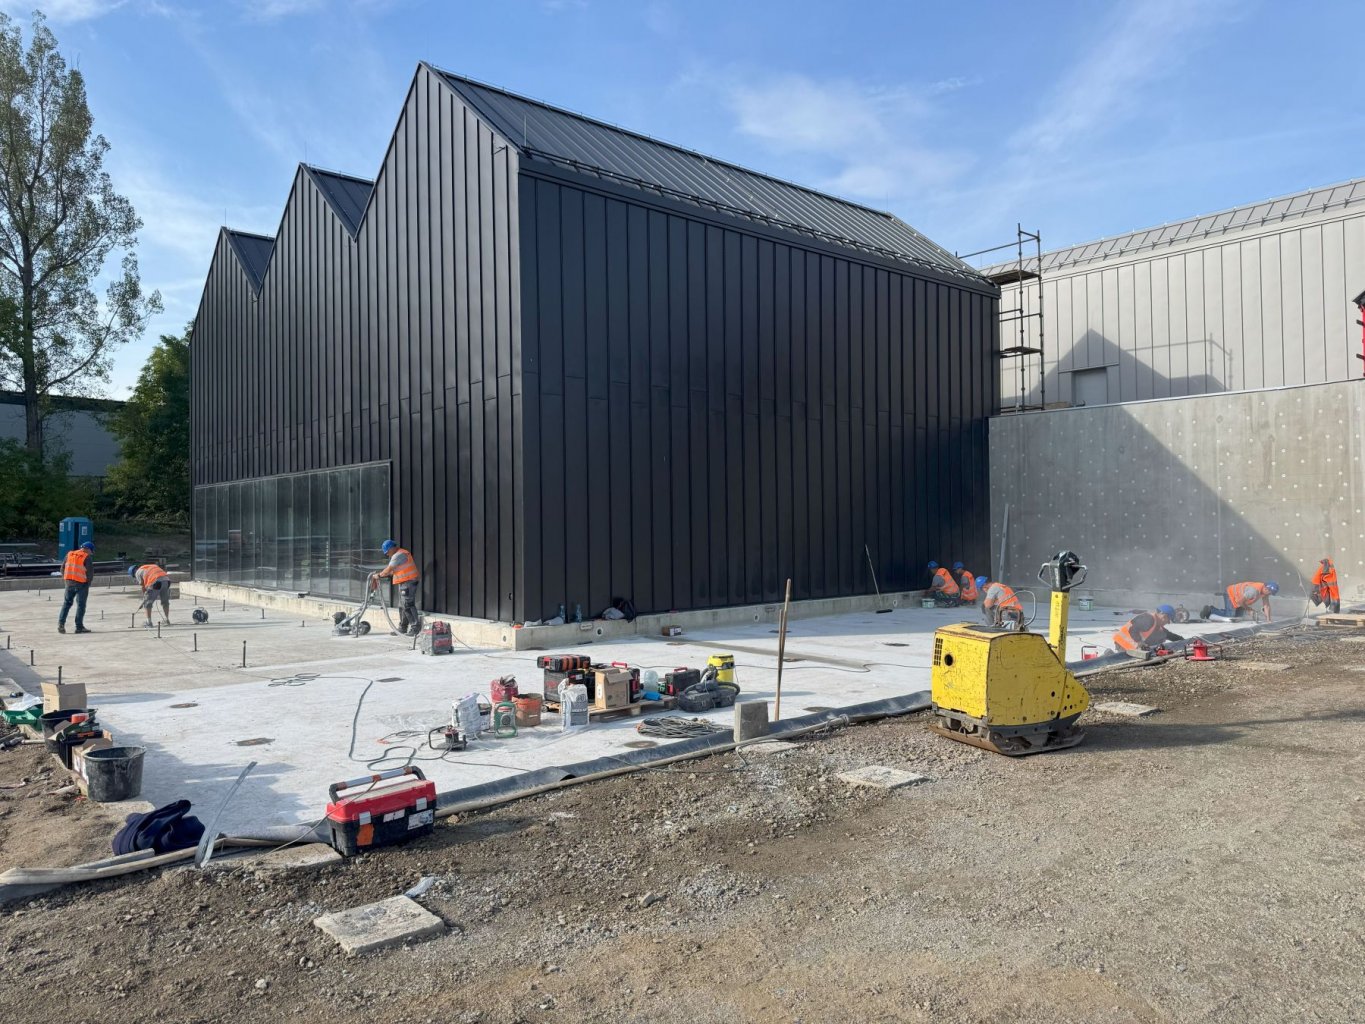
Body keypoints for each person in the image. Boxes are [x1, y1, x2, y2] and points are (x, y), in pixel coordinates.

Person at [374, 539, 421, 635]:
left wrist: (379, 575)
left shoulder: (398, 555)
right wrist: (384, 574)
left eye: (387, 552)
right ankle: (402, 628)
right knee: (402, 606)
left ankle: (415, 628)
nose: (387, 554)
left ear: (392, 548)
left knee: (407, 604)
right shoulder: (398, 554)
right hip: (405, 582)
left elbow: (389, 569)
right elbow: (393, 571)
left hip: (408, 582)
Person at [1113, 605, 1184, 656]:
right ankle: (1109, 655)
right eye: (1168, 620)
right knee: (1121, 661)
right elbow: (1132, 629)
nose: (1168, 623)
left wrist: (1183, 641)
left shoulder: (1157, 624)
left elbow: (1168, 635)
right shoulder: (1148, 619)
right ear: (1164, 616)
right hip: (1122, 643)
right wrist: (1140, 642)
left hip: (1131, 646)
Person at [58, 541, 95, 635]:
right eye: (91, 551)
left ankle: (61, 624)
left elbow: (62, 568)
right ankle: (79, 627)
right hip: (82, 584)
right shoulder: (86, 557)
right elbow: (90, 574)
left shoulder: (69, 554)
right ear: (87, 549)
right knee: (81, 605)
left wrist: (66, 579)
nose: (91, 553)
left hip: (69, 583)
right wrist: (87, 584)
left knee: (66, 604)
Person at [1202, 580, 1278, 623]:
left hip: (1241, 599)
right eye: (1270, 592)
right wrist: (1248, 609)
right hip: (1231, 593)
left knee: (1238, 618)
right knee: (1230, 616)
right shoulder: (1253, 591)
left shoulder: (1265, 592)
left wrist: (1268, 620)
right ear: (1266, 588)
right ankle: (1210, 610)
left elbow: (1266, 606)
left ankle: (1226, 611)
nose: (1270, 594)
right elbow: (1240, 601)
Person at [129, 562, 172, 628]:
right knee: (165, 602)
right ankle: (167, 620)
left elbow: (143, 587)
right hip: (166, 581)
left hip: (156, 582)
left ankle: (149, 622)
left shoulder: (137, 572)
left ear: (133, 574)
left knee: (147, 603)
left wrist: (145, 598)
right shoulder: (148, 566)